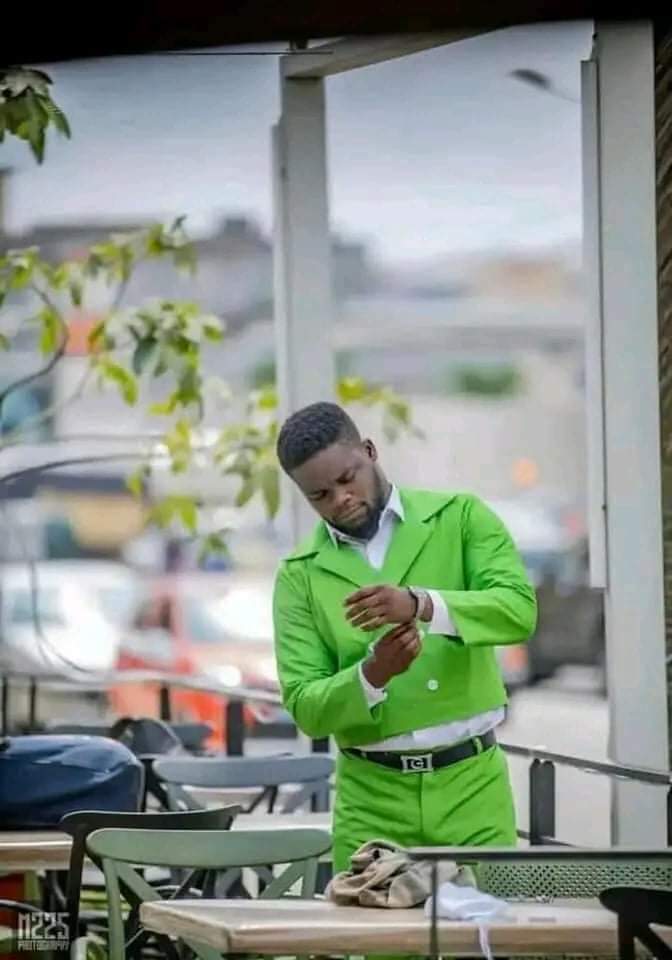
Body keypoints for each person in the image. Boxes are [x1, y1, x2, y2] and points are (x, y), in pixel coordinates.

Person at [273, 401, 537, 873]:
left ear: (370, 451)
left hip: (473, 787)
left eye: (347, 478)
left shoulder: (459, 518)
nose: (340, 499)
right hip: (370, 800)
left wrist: (422, 604)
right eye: (320, 495)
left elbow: (518, 611)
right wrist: (371, 675)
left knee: (486, 938)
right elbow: (305, 706)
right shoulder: (300, 575)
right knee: (370, 945)